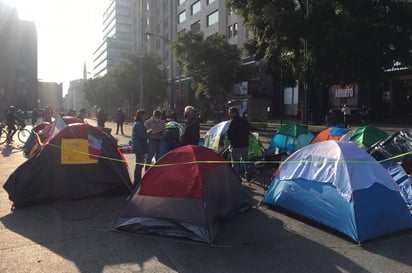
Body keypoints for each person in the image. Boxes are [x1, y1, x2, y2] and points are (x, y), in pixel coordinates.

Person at [227, 106, 250, 179]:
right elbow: (249, 130)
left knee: (235, 163)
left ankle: (236, 178)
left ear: (234, 113)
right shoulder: (244, 120)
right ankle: (248, 173)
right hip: (244, 144)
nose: (229, 115)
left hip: (235, 145)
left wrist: (230, 141)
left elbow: (230, 134)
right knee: (246, 160)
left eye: (230, 113)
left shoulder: (233, 122)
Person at [132, 109, 149, 189]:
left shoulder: (139, 123)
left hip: (139, 146)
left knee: (140, 164)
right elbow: (142, 136)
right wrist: (149, 133)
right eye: (145, 115)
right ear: (141, 115)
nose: (146, 116)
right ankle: (137, 181)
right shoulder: (139, 124)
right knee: (139, 165)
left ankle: (137, 180)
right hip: (139, 147)